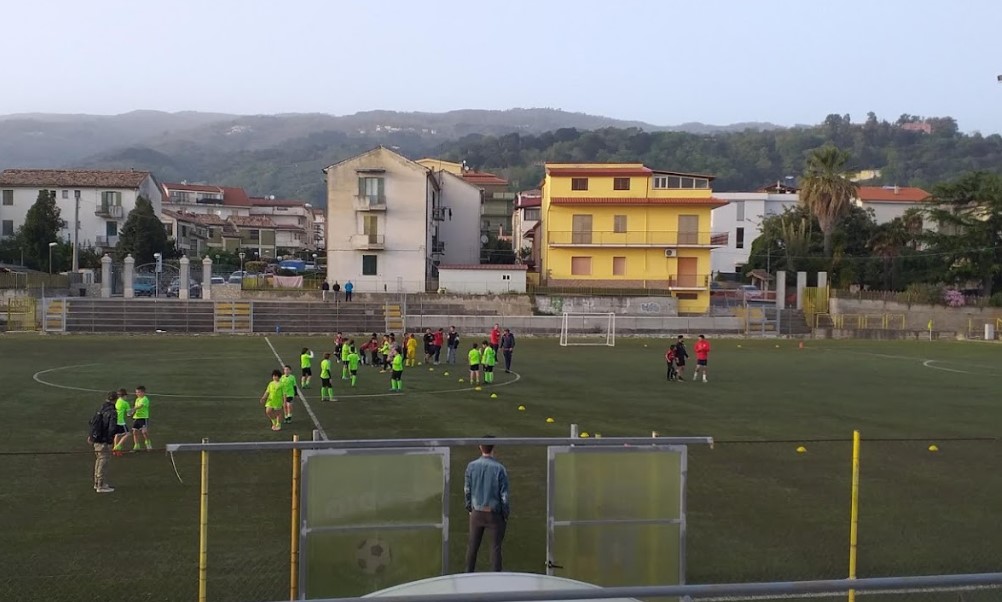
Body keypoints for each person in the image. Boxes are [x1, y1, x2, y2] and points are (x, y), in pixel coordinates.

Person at [464, 436, 510, 572]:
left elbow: (467, 489)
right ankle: (496, 579)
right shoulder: (499, 469)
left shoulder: (471, 467)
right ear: (493, 448)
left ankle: (468, 575)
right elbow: (504, 496)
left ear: (480, 447)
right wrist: (505, 513)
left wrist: (469, 508)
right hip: (494, 514)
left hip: (476, 512)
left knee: (472, 547)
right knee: (495, 549)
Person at [87, 392, 118, 493]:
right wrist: (109, 441)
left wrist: (92, 436)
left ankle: (97, 483)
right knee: (103, 462)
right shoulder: (112, 411)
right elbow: (112, 428)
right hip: (104, 441)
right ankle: (101, 485)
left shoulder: (100, 408)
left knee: (98, 461)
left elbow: (92, 422)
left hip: (96, 439)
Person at [130, 386, 152, 451]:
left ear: (143, 392)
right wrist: (132, 412)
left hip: (143, 418)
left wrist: (132, 409)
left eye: (138, 392)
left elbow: (140, 406)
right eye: (136, 392)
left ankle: (148, 443)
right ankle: (136, 446)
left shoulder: (145, 399)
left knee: (144, 432)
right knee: (135, 432)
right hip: (136, 418)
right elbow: (136, 407)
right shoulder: (137, 399)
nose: (137, 393)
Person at [112, 388, 131, 456]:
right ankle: (117, 447)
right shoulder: (125, 403)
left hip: (114, 421)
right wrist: (135, 408)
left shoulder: (117, 401)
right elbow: (129, 414)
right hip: (121, 421)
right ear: (124, 396)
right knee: (127, 434)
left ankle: (116, 451)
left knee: (117, 435)